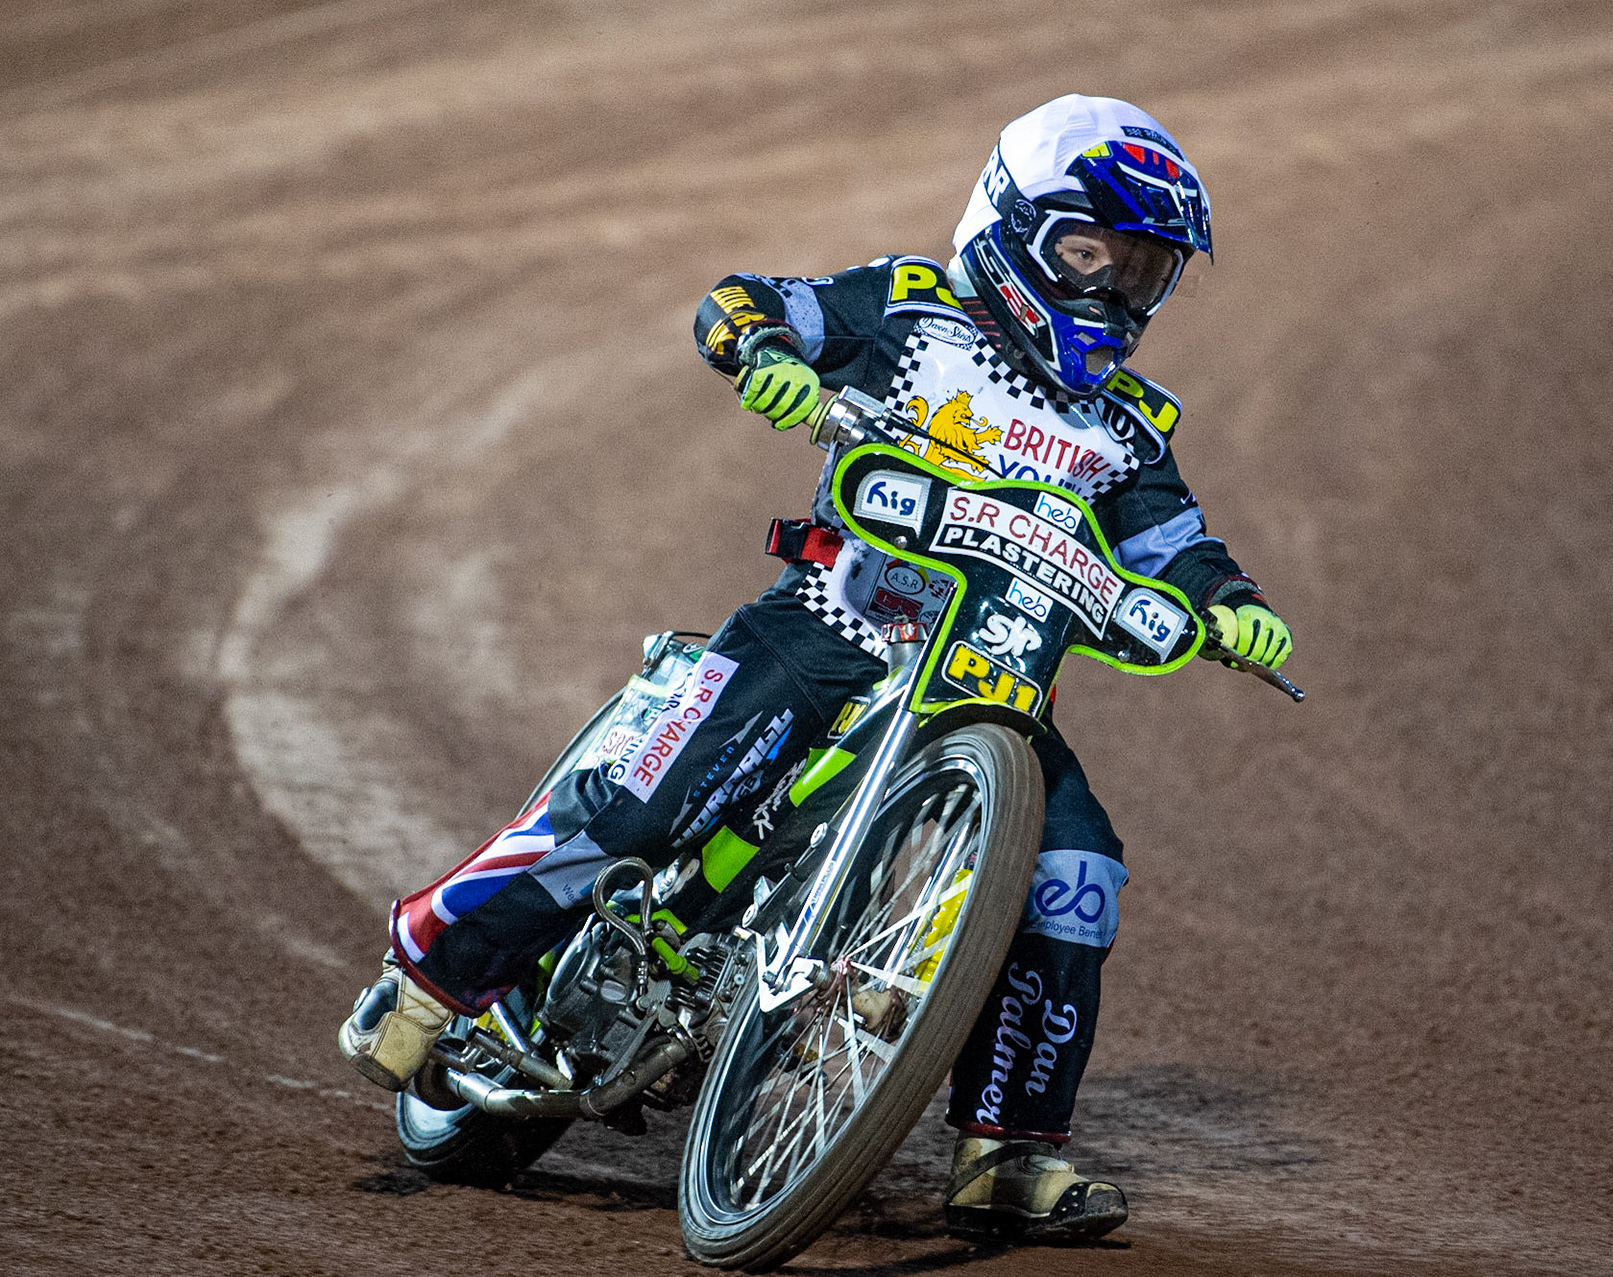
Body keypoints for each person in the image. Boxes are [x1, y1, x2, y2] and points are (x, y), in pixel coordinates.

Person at [339, 94, 1293, 1243]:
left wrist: (1233, 605)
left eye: (1142, 273)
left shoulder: (1129, 429)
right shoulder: (914, 311)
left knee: (1077, 873)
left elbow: (1179, 545)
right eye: (1089, 254)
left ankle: (1007, 1150)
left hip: (997, 692)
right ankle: (434, 969)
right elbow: (747, 301)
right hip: (834, 622)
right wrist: (761, 351)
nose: (1111, 291)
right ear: (1011, 226)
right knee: (652, 792)